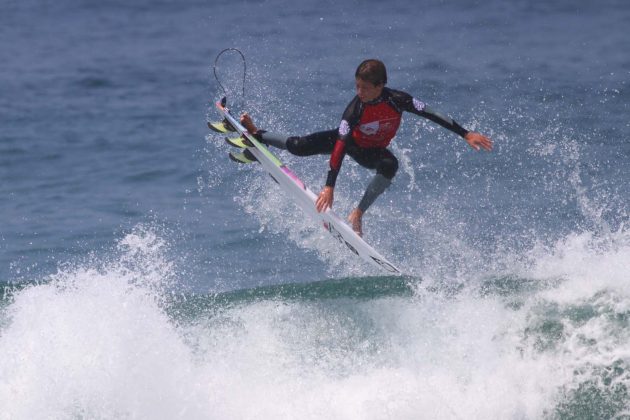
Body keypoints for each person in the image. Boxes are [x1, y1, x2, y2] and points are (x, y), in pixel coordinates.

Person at [240, 59, 492, 236]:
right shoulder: (354, 110)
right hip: (349, 143)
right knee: (299, 146)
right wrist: (329, 185)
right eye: (356, 86)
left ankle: (358, 213)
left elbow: (431, 113)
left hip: (370, 152)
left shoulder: (398, 99)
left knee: (390, 165)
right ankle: (258, 134)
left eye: (364, 87)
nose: (359, 92)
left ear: (380, 85)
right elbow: (340, 144)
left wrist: (465, 133)